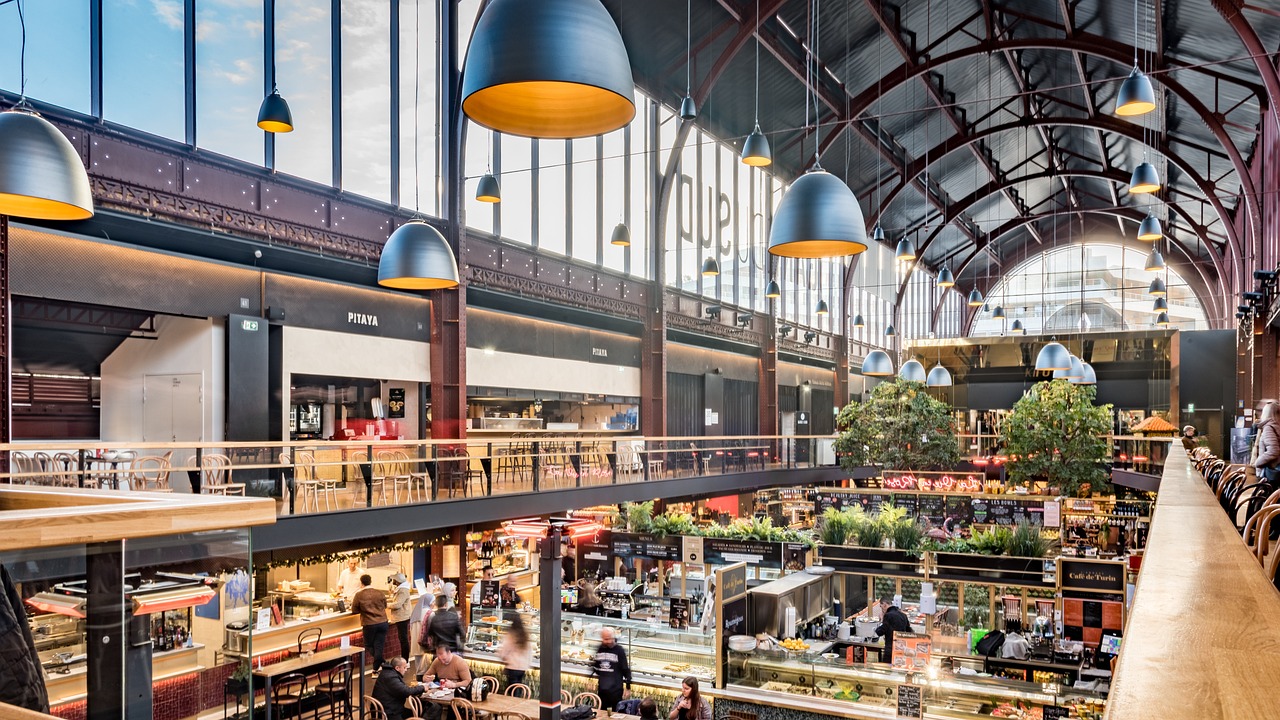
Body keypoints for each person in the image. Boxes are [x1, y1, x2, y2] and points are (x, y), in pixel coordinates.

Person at [422, 645, 472, 720]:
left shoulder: (459, 662)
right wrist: (427, 678)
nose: (442, 661)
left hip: (456, 694)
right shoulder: (437, 661)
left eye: (444, 659)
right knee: (428, 704)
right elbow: (425, 676)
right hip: (441, 692)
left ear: (449, 653)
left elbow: (468, 681)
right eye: (440, 659)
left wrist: (454, 684)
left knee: (453, 708)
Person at [352, 574, 389, 672]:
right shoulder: (380, 593)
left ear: (362, 583)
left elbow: (354, 610)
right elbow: (385, 606)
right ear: (370, 581)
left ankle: (383, 663)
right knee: (379, 645)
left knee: (368, 645)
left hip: (369, 624)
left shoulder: (359, 595)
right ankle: (378, 666)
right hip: (383, 622)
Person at [591, 627, 632, 710]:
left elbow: (625, 669)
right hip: (602, 690)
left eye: (609, 639)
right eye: (605, 639)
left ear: (613, 638)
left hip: (615, 691)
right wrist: (591, 678)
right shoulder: (600, 649)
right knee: (602, 712)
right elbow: (596, 666)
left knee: (615, 713)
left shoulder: (619, 650)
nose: (607, 641)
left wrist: (628, 687)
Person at [495, 612, 532, 686]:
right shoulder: (525, 634)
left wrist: (501, 656)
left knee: (512, 689)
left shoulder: (511, 635)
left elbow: (504, 650)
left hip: (512, 667)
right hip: (523, 667)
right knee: (518, 687)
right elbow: (529, 652)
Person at [873, 597, 913, 664]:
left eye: (881, 606)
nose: (881, 609)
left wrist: (880, 622)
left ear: (884, 604)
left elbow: (880, 631)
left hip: (890, 649)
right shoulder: (903, 615)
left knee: (887, 669)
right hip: (902, 648)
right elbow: (909, 631)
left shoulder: (888, 615)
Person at [408, 588, 435, 679]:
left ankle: (418, 679)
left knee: (418, 664)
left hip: (415, 641)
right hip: (425, 642)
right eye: (433, 601)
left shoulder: (416, 612)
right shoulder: (430, 613)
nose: (434, 603)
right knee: (425, 665)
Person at [387, 573, 413, 660]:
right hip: (402, 617)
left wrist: (386, 605)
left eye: (394, 579)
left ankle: (405, 659)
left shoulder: (402, 590)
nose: (393, 581)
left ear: (397, 581)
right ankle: (405, 659)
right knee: (403, 638)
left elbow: (397, 604)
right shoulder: (402, 589)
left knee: (403, 639)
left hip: (402, 617)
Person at [1254, 401, 1280, 482]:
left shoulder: (1269, 427)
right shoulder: (1277, 426)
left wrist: (1257, 462)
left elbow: (1273, 451)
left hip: (1271, 470)